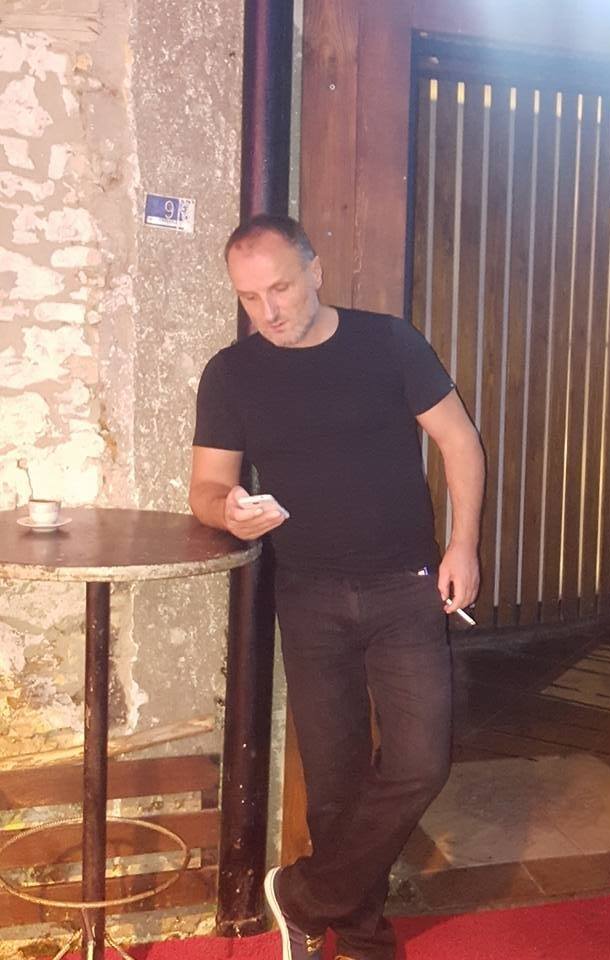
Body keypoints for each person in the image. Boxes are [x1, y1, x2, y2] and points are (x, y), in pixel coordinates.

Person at [189, 214, 485, 960]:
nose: (268, 311)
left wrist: (464, 544)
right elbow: (206, 486)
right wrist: (228, 510)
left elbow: (459, 440)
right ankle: (359, 938)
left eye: (281, 289)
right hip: (308, 594)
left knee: (421, 762)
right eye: (249, 297)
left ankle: (301, 895)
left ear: (315, 272)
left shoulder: (389, 343)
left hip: (406, 586)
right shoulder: (231, 373)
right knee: (333, 783)